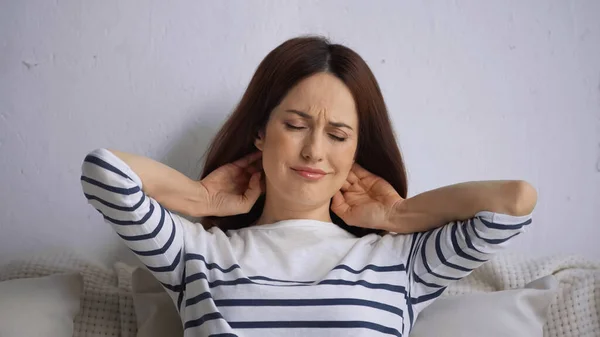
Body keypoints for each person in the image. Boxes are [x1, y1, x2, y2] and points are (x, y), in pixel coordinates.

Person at [80, 35, 537, 337]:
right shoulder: (196, 254)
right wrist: (201, 198)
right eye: (296, 125)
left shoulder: (402, 263)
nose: (315, 151)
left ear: (356, 152)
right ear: (260, 132)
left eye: (338, 135)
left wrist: (398, 217)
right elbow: (105, 173)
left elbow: (514, 202)